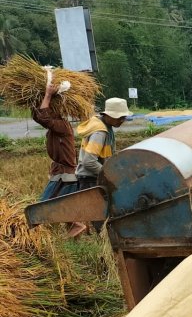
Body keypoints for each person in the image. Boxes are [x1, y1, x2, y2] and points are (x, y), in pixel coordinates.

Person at [31, 83, 87, 237]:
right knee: (59, 202)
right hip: (61, 172)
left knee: (43, 204)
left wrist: (48, 95)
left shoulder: (61, 125)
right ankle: (74, 226)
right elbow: (38, 116)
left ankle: (75, 225)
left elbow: (43, 117)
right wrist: (38, 97)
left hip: (65, 174)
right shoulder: (56, 126)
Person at [76, 97, 132, 192]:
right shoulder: (99, 132)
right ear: (108, 115)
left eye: (124, 117)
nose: (122, 120)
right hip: (90, 181)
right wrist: (110, 175)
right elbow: (89, 162)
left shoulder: (107, 126)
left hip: (96, 177)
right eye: (120, 117)